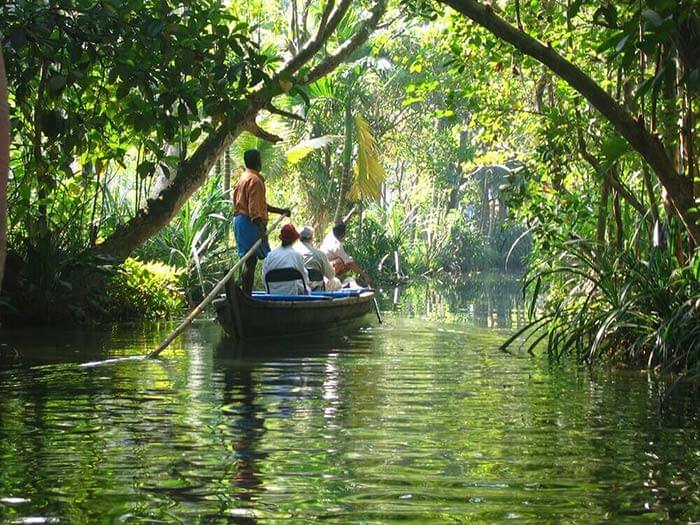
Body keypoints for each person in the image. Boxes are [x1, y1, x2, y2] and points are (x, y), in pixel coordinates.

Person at [232, 149, 290, 295]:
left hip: (240, 222)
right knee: (251, 262)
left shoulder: (244, 177)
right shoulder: (255, 181)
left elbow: (261, 204)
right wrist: (260, 230)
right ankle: (247, 296)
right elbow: (254, 209)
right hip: (249, 223)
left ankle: (246, 294)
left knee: (249, 260)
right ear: (258, 162)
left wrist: (281, 211)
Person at [262, 224, 310, 295]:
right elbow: (304, 278)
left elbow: (264, 278)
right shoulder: (297, 255)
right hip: (292, 295)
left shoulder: (270, 256)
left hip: (272, 295)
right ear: (294, 240)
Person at [320, 222, 372, 287]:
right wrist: (364, 275)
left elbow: (343, 221)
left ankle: (338, 276)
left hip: (322, 265)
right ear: (342, 235)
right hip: (325, 270)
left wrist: (351, 214)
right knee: (342, 262)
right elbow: (350, 263)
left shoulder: (330, 235)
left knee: (345, 261)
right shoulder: (337, 245)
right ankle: (334, 277)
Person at [296, 226, 342, 291]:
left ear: (298, 237)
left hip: (298, 288)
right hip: (316, 288)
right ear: (312, 238)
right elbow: (331, 275)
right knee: (337, 282)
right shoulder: (319, 254)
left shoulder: (292, 253)